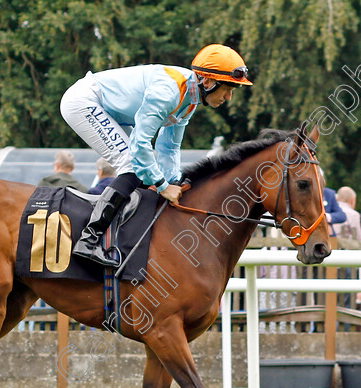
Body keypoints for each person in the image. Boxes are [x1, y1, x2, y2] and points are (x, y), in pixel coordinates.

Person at [60, 44, 252, 266]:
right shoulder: (168, 92)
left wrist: (175, 182)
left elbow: (169, 148)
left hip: (109, 110)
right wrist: (162, 186)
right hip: (84, 102)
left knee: (143, 170)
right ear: (208, 82)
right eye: (228, 88)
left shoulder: (189, 100)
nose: (228, 97)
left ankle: (125, 240)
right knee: (133, 165)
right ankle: (89, 239)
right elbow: (141, 143)